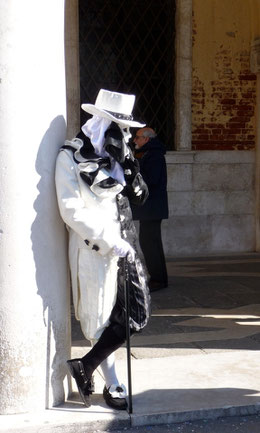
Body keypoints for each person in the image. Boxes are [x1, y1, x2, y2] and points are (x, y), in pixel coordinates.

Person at [55, 89, 150, 410]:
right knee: (99, 317)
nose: (120, 134)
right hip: (96, 249)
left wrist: (131, 167)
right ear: (97, 122)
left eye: (123, 128)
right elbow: (71, 210)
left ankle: (86, 365)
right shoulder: (70, 157)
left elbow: (139, 197)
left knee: (137, 313)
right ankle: (113, 383)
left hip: (127, 245)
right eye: (114, 126)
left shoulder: (119, 158)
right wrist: (107, 240)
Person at [131, 127, 168, 292]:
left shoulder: (154, 155)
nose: (134, 140)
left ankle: (159, 279)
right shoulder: (147, 152)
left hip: (153, 206)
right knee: (150, 242)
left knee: (150, 243)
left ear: (146, 139)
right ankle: (159, 278)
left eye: (137, 137)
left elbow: (150, 179)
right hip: (150, 206)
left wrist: (134, 170)